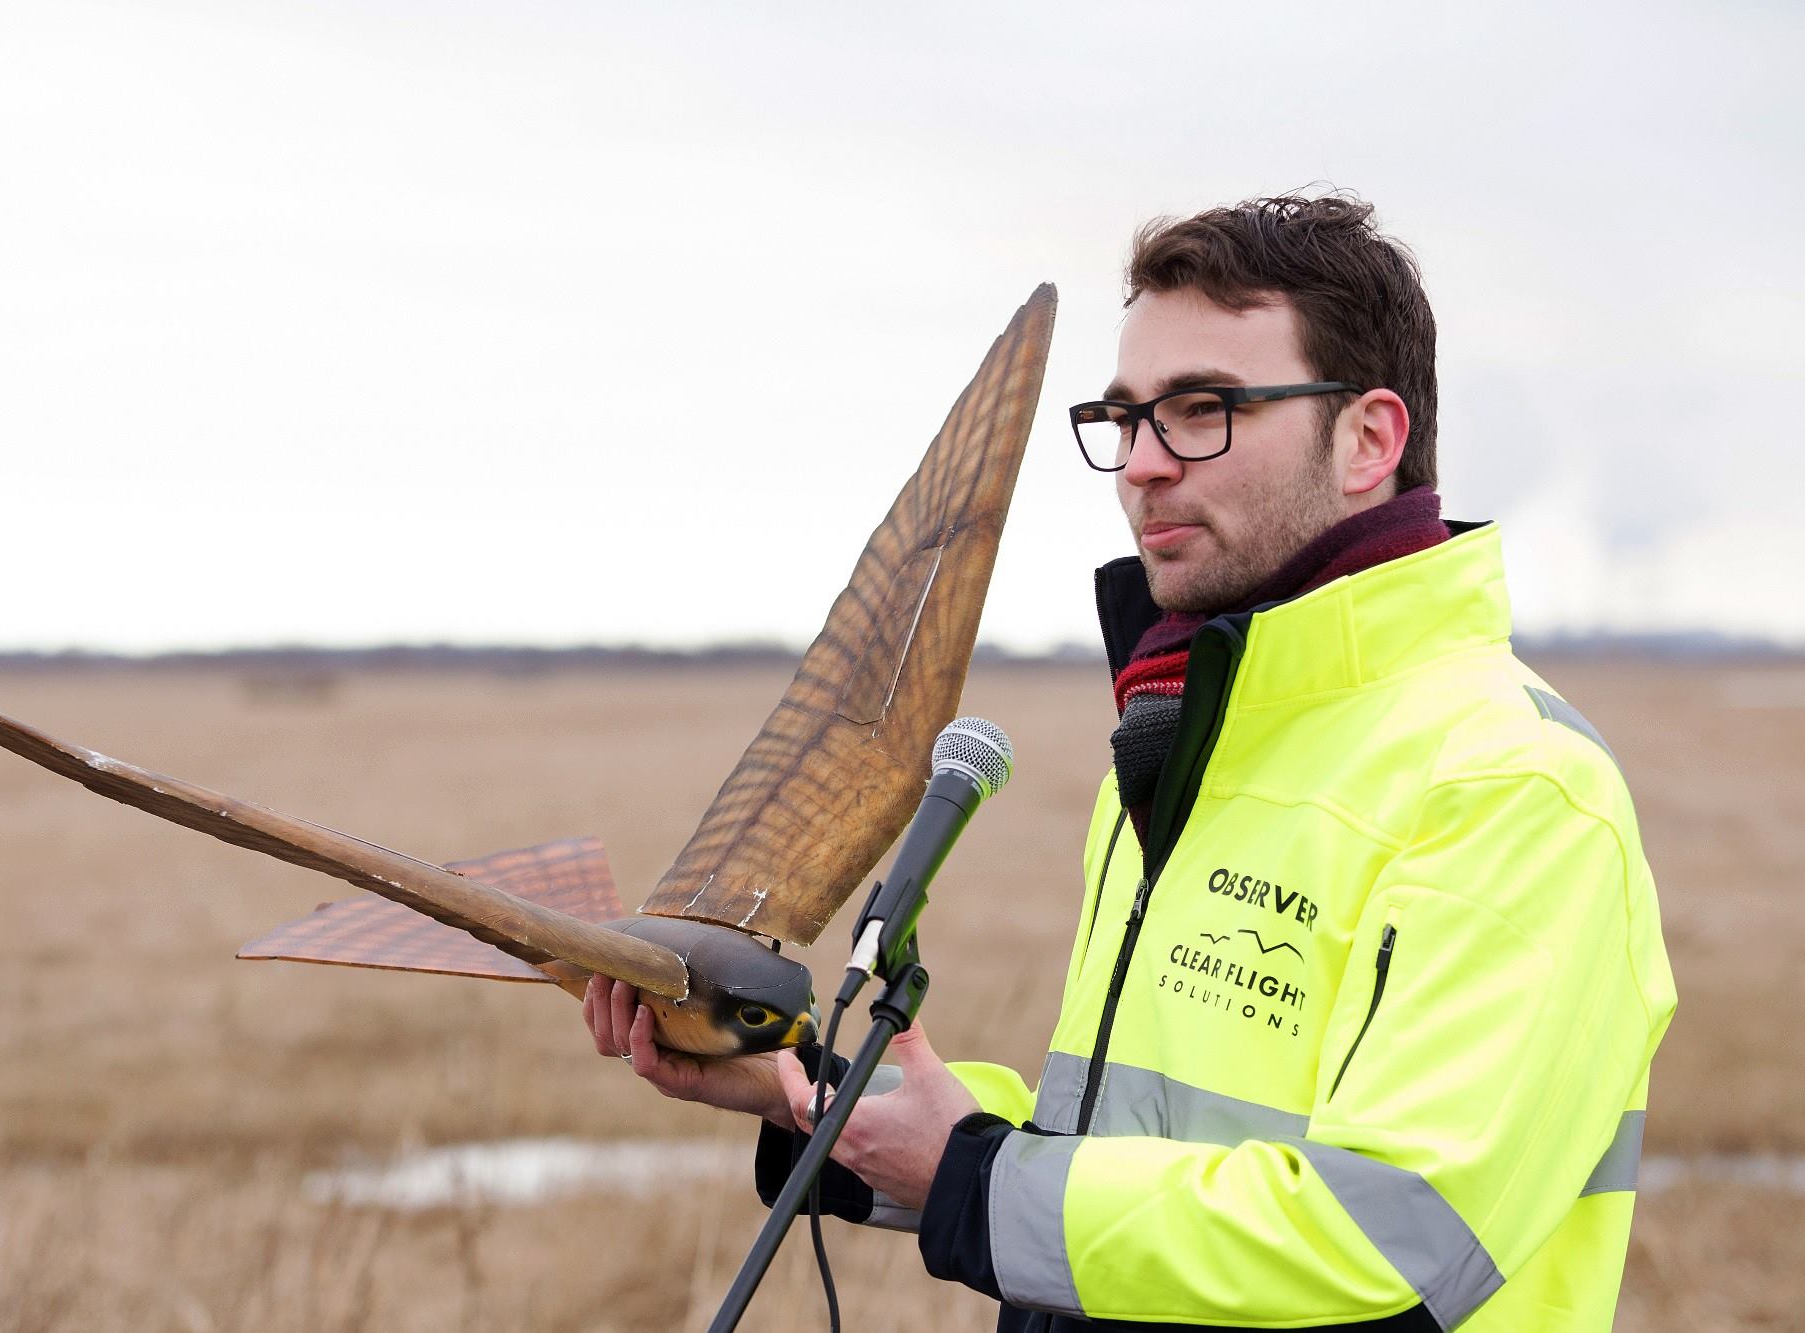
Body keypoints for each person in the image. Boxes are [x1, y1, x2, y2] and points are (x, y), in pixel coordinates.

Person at [583, 192, 1675, 1331]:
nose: (1142, 466)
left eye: (1202, 410)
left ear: (1368, 440)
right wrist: (820, 1098)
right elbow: (1124, 1151)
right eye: (1124, 417)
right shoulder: (1183, 746)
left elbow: (1385, 1246)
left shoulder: (1510, 786)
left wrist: (970, 1179)